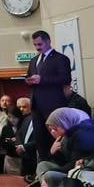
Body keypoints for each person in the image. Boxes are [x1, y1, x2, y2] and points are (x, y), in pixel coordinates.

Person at [25, 30, 72, 163]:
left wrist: (42, 79)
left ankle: (59, 165)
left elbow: (65, 78)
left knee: (55, 137)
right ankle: (43, 168)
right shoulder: (34, 60)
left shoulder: (60, 58)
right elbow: (29, 76)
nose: (37, 47)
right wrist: (28, 81)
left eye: (40, 44)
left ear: (48, 41)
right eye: (35, 45)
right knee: (40, 138)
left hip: (53, 104)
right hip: (36, 104)